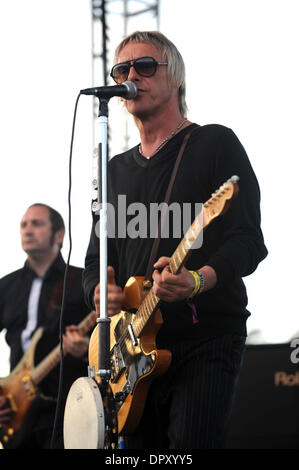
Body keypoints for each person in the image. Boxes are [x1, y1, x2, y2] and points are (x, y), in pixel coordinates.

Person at [83, 31, 268, 449]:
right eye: (122, 70)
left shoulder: (214, 144)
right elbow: (96, 258)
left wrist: (197, 280)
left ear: (176, 77)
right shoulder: (114, 171)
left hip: (204, 339)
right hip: (130, 355)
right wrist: (100, 292)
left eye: (145, 66)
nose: (132, 75)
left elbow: (248, 239)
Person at [0, 203, 92, 449]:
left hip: (68, 408)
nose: (27, 230)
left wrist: (86, 349)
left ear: (59, 235)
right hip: (16, 413)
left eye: (37, 223)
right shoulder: (6, 287)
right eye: (23, 225)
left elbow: (106, 341)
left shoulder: (83, 281)